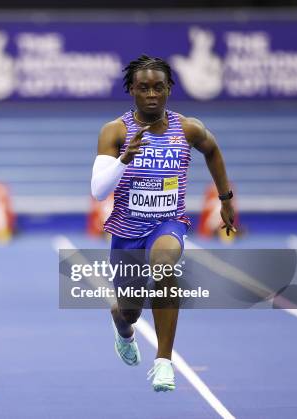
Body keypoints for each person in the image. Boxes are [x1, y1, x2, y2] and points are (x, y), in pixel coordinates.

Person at [90, 55, 235, 391]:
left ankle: (164, 361)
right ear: (131, 91)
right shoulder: (115, 131)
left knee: (164, 266)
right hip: (126, 231)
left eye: (159, 87)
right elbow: (98, 191)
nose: (152, 94)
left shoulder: (187, 128)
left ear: (169, 89)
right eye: (144, 88)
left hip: (168, 223)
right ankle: (122, 326)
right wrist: (124, 159)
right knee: (129, 312)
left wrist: (225, 199)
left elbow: (212, 150)